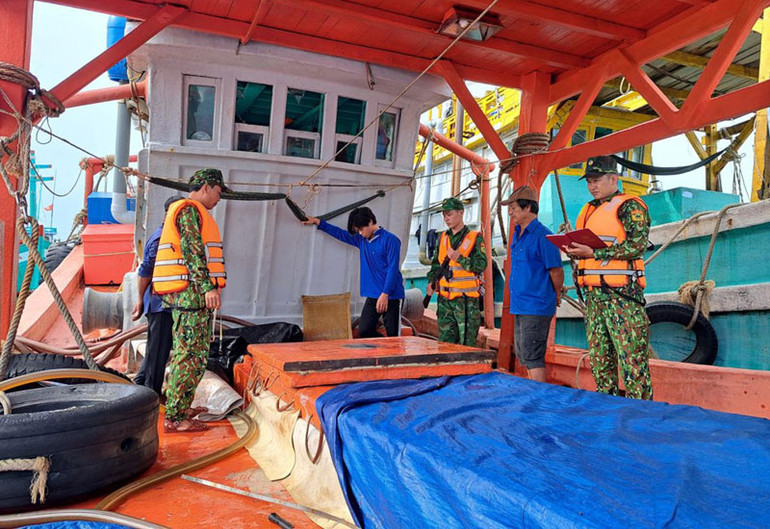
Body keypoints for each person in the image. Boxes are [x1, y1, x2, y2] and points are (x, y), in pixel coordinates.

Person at [564, 156, 653, 400]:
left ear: (614, 179)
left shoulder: (631, 207)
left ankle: (641, 416)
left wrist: (595, 252)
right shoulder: (588, 210)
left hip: (622, 298)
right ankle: (606, 410)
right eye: (589, 182)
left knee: (632, 362)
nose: (592, 186)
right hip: (594, 300)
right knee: (600, 361)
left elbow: (636, 246)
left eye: (597, 180)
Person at [153, 168, 228, 432]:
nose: (219, 198)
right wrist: (208, 287)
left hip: (193, 298)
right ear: (206, 187)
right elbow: (193, 251)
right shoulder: (188, 210)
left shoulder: (196, 212)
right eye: (218, 192)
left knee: (195, 356)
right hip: (191, 297)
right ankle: (175, 418)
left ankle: (181, 406)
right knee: (188, 356)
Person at [303, 207, 404, 337]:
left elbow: (393, 269)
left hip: (391, 295)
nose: (360, 233)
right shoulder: (361, 240)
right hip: (373, 295)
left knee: (393, 336)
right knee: (364, 330)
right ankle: (383, 349)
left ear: (370, 221)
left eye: (361, 229)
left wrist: (385, 294)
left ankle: (391, 350)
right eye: (357, 230)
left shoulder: (391, 240)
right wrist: (319, 222)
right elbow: (341, 234)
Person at [502, 186, 564, 382]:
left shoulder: (544, 236)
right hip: (520, 304)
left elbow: (556, 270)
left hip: (536, 305)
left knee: (532, 354)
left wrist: (557, 294)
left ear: (527, 207)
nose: (510, 212)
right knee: (522, 352)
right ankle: (534, 391)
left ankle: (539, 397)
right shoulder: (517, 234)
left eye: (513, 208)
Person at [131, 194, 185, 396]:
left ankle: (140, 385)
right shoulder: (162, 238)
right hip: (159, 304)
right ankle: (150, 395)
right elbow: (145, 271)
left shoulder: (171, 236)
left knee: (157, 349)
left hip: (165, 304)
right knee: (159, 352)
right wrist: (139, 300)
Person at [427, 197, 487, 345]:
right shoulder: (443, 238)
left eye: (450, 214)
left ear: (461, 213)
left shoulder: (474, 238)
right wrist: (431, 281)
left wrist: (460, 258)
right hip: (445, 301)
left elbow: (481, 264)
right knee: (445, 343)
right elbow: (436, 264)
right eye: (444, 215)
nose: (446, 219)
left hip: (466, 302)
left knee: (467, 344)